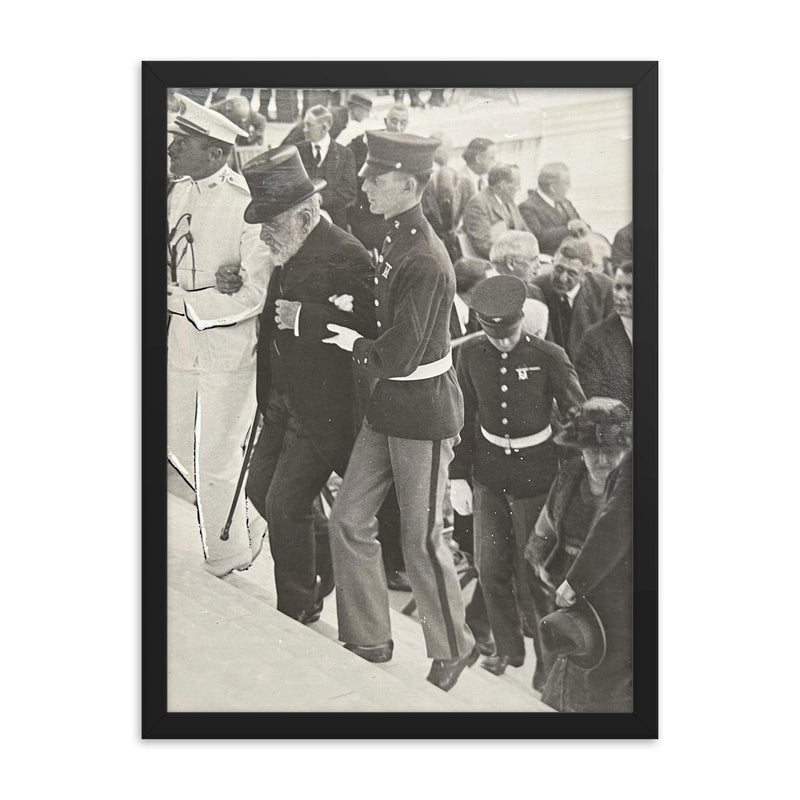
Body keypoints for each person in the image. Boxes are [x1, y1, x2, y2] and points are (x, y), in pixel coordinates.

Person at [323, 131, 477, 691]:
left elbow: (402, 352)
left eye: (374, 178)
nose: (363, 185)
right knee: (349, 519)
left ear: (407, 185)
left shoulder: (425, 258)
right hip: (389, 407)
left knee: (420, 538)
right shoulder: (394, 235)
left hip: (421, 414)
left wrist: (354, 345)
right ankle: (369, 636)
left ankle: (454, 646)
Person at [240, 146, 376, 624]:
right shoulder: (288, 245)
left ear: (303, 215)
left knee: (285, 503)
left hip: (323, 410)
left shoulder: (347, 254)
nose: (263, 234)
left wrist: (309, 319)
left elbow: (372, 326)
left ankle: (298, 604)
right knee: (260, 491)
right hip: (280, 402)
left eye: (270, 223)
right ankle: (323, 558)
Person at [450, 275, 585, 684]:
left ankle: (548, 664)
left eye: (508, 333)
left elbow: (577, 415)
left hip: (538, 478)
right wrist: (458, 476)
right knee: (490, 568)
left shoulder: (548, 355)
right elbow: (464, 417)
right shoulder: (472, 354)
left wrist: (574, 478)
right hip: (489, 475)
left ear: (520, 320)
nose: (503, 342)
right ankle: (508, 649)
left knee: (535, 578)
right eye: (494, 334)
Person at [166, 94, 272, 578]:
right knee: (171, 439)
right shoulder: (177, 192)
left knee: (215, 453)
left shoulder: (247, 205)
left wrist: (183, 301)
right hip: (181, 344)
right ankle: (247, 517)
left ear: (215, 152)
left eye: (181, 144)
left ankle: (226, 554)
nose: (171, 150)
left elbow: (251, 294)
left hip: (227, 350)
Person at [525, 398, 633, 711]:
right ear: (580, 450)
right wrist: (542, 562)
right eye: (593, 451)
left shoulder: (630, 488)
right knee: (569, 671)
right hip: (570, 593)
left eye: (612, 451)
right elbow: (544, 530)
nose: (603, 460)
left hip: (614, 597)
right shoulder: (569, 477)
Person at [533, 239, 614, 359]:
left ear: (585, 274)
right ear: (553, 262)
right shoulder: (537, 287)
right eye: (559, 269)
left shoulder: (604, 289)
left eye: (572, 273)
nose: (562, 278)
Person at [347, 104, 410, 252]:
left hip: (393, 212)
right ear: (385, 121)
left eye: (403, 123)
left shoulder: (409, 148)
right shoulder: (363, 144)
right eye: (394, 121)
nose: (398, 127)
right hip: (368, 211)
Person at [575, 261, 633, 409]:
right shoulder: (594, 339)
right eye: (618, 287)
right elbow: (593, 398)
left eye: (630, 289)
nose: (621, 296)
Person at [296, 105, 357, 231]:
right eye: (304, 125)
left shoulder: (345, 154)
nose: (304, 130)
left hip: (334, 223)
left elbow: (349, 191)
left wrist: (321, 198)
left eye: (309, 125)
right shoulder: (298, 152)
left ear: (325, 127)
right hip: (301, 221)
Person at [518, 163, 589, 256]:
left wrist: (582, 225)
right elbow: (538, 238)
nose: (569, 186)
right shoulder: (528, 207)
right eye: (566, 183)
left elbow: (582, 226)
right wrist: (569, 229)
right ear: (553, 187)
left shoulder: (565, 202)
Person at [489, 230, 549, 338]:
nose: (538, 266)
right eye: (533, 260)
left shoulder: (535, 292)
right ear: (511, 263)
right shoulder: (486, 296)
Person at [463, 164, 530, 259]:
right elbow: (483, 245)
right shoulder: (478, 204)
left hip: (516, 259)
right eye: (517, 184)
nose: (519, 188)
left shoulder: (509, 200)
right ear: (503, 185)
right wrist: (517, 257)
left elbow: (525, 231)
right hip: (494, 262)